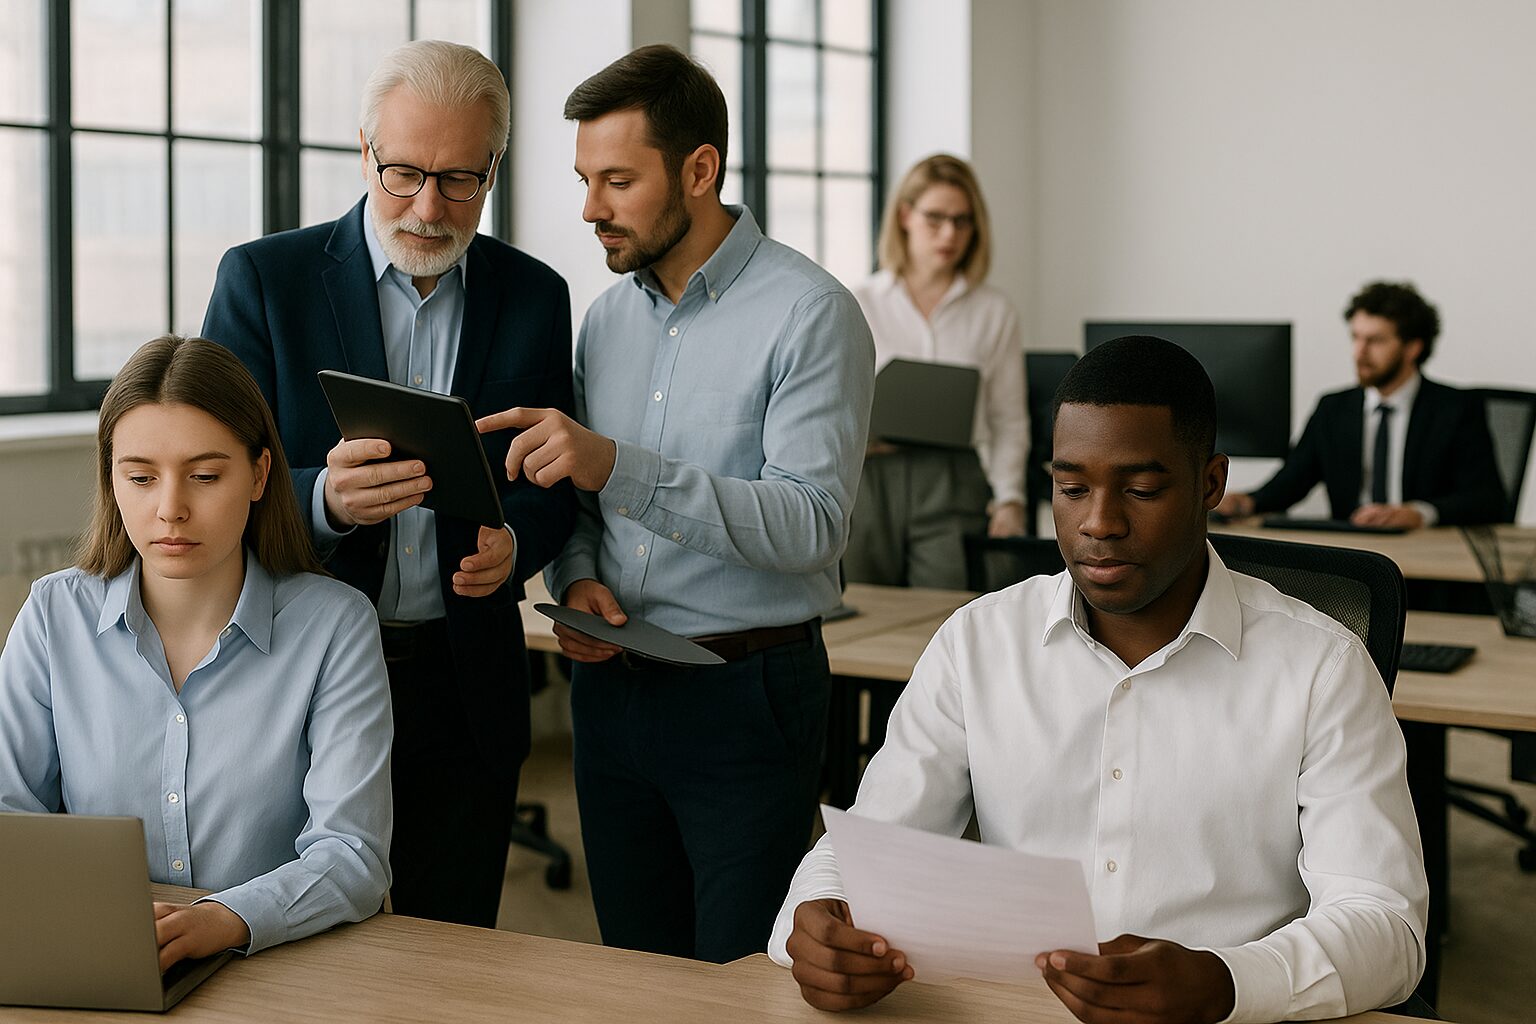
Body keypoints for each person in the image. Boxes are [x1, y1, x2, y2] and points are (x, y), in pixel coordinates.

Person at [771, 336, 1427, 1022]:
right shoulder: (978, 642)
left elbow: (1387, 924)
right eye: (1071, 487)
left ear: (1211, 484)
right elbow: (874, 848)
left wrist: (1224, 982)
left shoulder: (1322, 666)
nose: (1099, 523)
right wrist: (817, 920)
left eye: (1141, 489)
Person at [476, 44, 873, 963]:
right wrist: (575, 580)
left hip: (744, 696)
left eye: (617, 181)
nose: (589, 209)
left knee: (738, 981)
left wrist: (617, 465)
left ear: (701, 170)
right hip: (610, 691)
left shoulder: (811, 313)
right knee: (633, 974)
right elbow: (579, 503)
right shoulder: (607, 318)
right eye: (583, 179)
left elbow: (813, 523)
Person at [201, 40, 577, 927]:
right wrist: (319, 502)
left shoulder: (534, 296)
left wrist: (518, 541)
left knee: (453, 953)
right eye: (403, 173)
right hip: (300, 676)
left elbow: (553, 487)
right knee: (301, 948)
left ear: (495, 167)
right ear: (364, 150)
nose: (428, 207)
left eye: (460, 180)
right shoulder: (265, 281)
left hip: (464, 682)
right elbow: (209, 476)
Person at [0, 335, 392, 971]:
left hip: (280, 963)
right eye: (140, 478)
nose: (170, 509)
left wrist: (224, 919)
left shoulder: (336, 627)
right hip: (99, 955)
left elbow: (352, 853)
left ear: (261, 474)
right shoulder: (52, 616)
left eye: (205, 476)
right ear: (111, 479)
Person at [842, 154, 1028, 588]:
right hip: (870, 479)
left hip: (953, 482)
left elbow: (1007, 419)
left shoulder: (993, 312)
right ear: (905, 215)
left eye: (963, 221)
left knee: (945, 616)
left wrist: (1010, 500)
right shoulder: (858, 302)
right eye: (936, 218)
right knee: (866, 612)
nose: (950, 234)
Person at [1217, 281, 1504, 529]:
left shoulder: (1455, 408)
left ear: (1412, 348)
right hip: (1357, 556)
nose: (1359, 352)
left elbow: (1487, 500)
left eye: (1375, 340)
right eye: (1355, 337)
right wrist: (1247, 502)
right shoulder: (1333, 409)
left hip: (1427, 562)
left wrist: (1419, 513)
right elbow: (1291, 483)